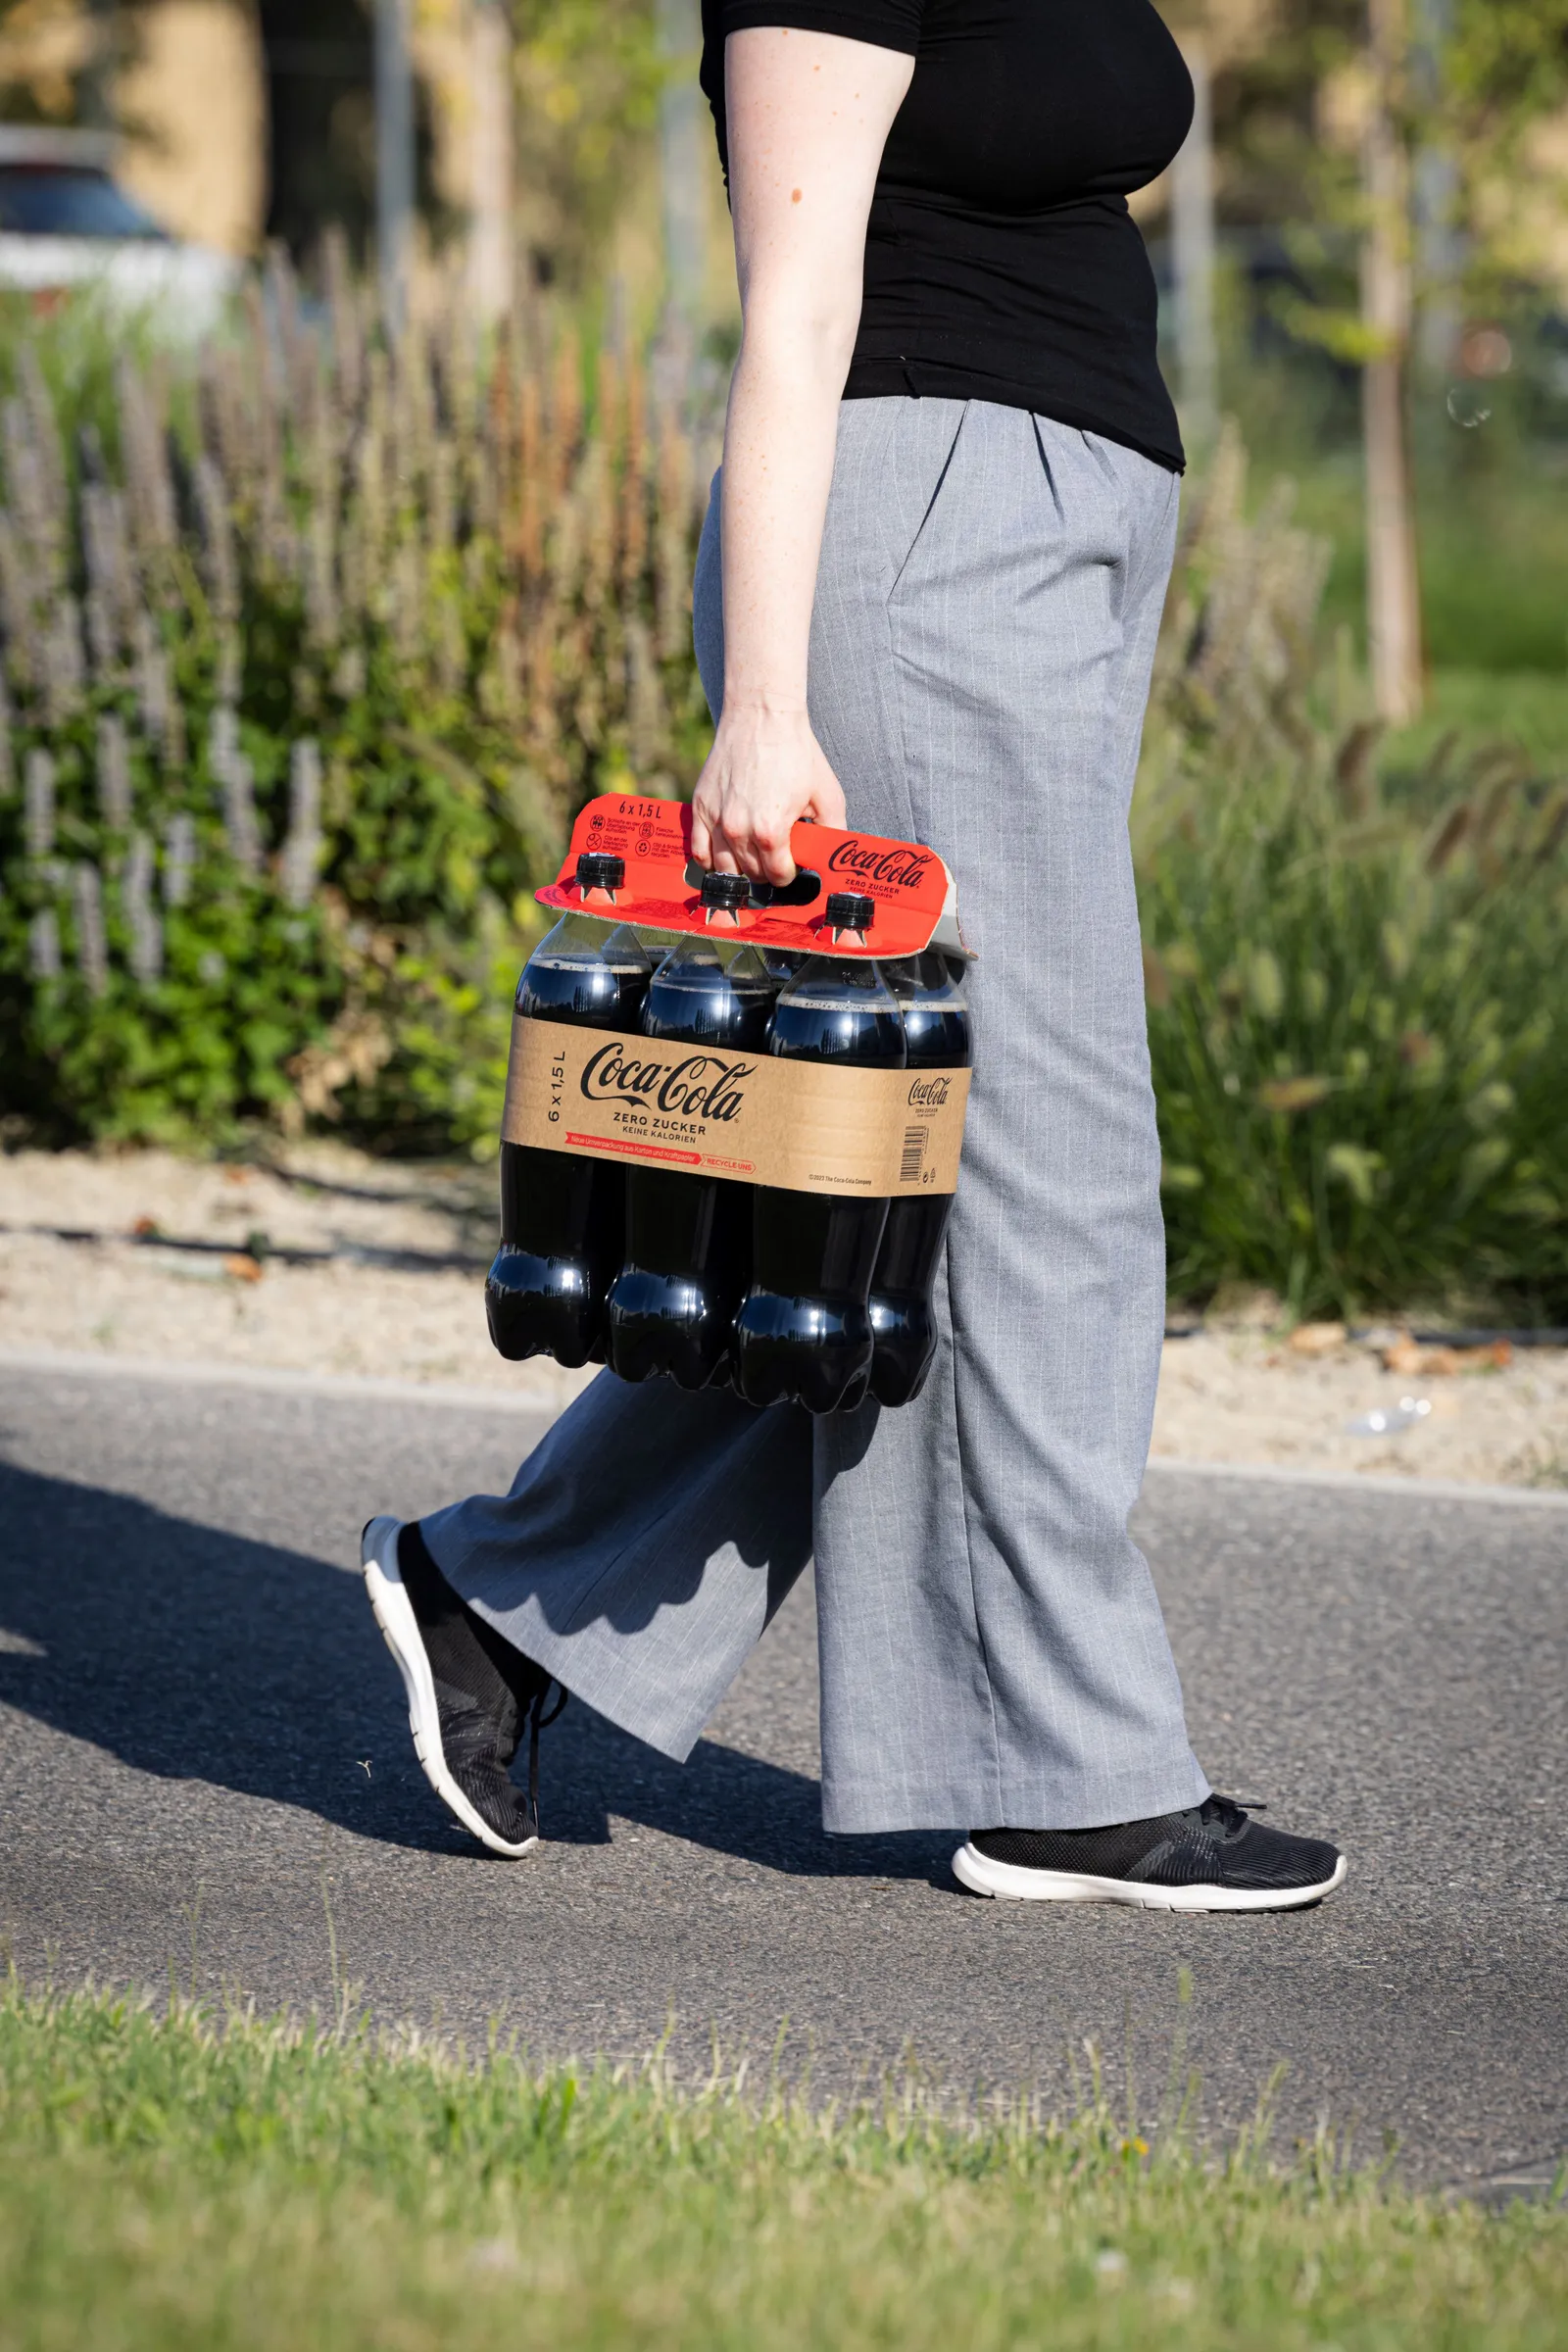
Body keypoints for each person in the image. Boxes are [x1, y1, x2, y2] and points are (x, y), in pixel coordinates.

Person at [361, 0, 1347, 1911]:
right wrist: (763, 706)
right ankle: (1063, 1768)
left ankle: (509, 1596)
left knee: (875, 1204)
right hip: (919, 556)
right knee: (1033, 1180)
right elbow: (795, 304)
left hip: (1034, 546)